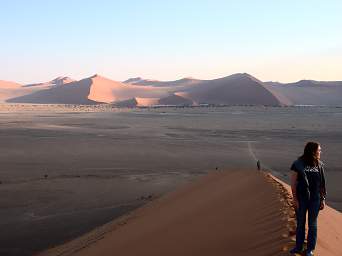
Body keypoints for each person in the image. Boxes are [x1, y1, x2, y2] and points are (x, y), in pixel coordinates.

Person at [290, 142, 327, 256]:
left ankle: (310, 249)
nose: (320, 152)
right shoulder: (298, 164)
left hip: (315, 200)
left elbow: (322, 184)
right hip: (302, 198)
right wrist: (295, 199)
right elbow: (293, 183)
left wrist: (323, 199)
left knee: (312, 224)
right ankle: (298, 247)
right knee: (301, 223)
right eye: (319, 150)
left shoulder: (319, 165)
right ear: (313, 151)